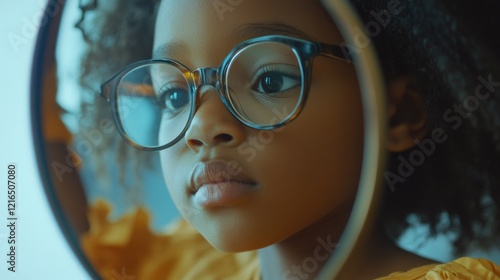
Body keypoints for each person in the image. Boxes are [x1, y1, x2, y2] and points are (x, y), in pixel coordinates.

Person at [74, 0, 500, 279]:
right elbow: (82, 243)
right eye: (175, 94)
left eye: (269, 79)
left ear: (398, 114)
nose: (203, 127)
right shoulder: (197, 269)